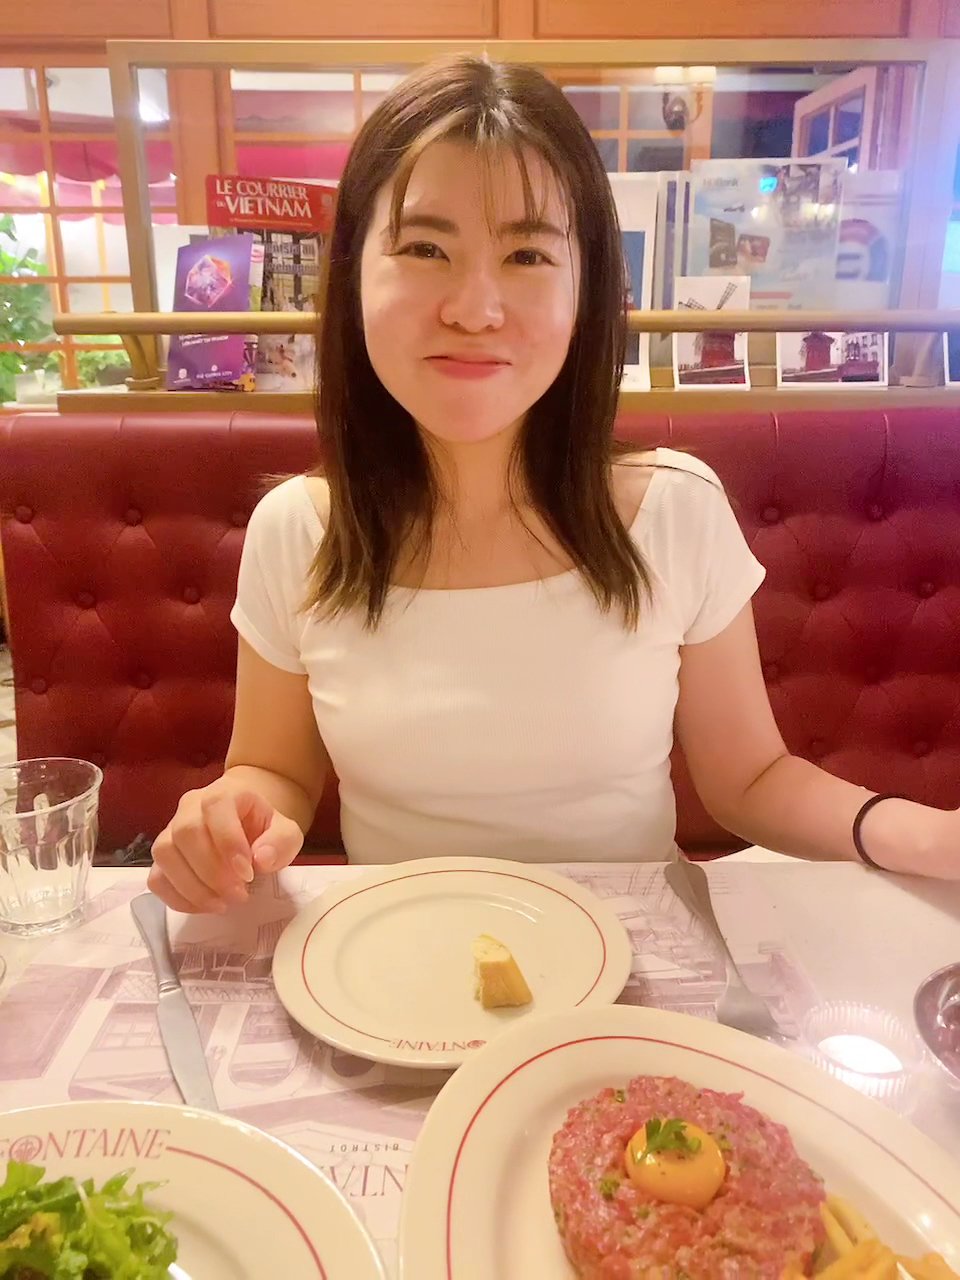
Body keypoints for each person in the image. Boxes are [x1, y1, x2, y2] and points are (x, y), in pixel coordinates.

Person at [149, 55, 960, 914]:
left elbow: (750, 778)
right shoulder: (295, 532)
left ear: (587, 290)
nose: (475, 306)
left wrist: (921, 833)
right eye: (425, 247)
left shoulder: (675, 511)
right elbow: (274, 770)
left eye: (529, 252)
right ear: (352, 274)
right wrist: (230, 821)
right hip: (392, 966)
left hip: (632, 970)